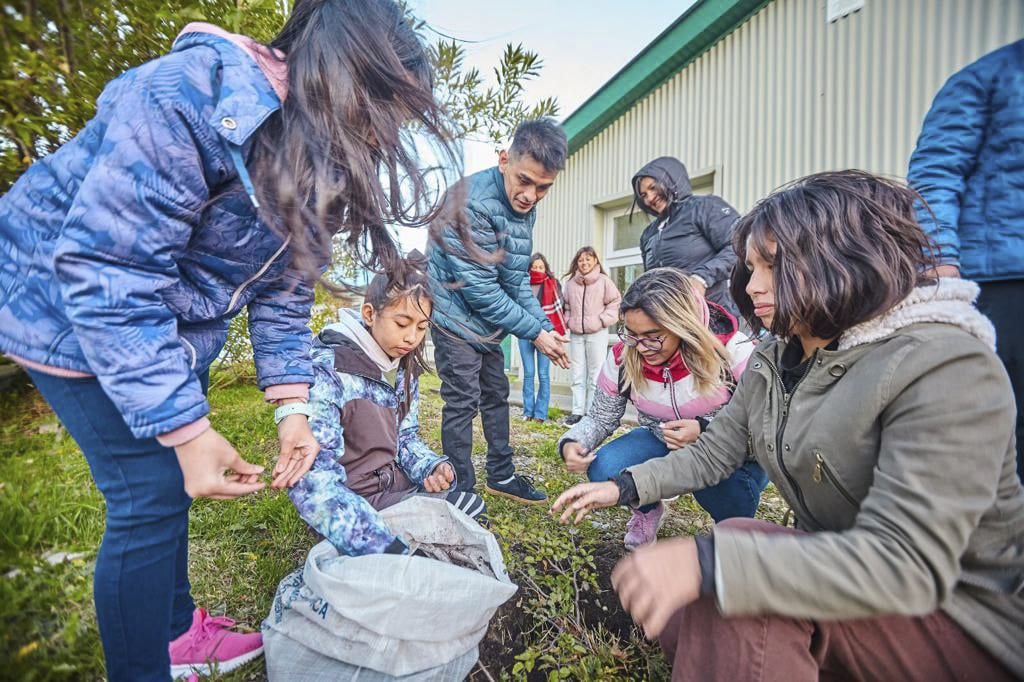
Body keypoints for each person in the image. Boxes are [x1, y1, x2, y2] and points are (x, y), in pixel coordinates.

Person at [0, 2, 463, 679]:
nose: (379, 136)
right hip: (62, 306)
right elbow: (109, 272)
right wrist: (187, 430)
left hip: (161, 321)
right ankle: (144, 667)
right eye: (378, 109)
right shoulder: (188, 96)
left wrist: (292, 411)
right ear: (338, 64)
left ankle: (178, 629)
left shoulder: (318, 154)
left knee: (169, 483)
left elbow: (284, 292)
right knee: (150, 490)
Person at [552, 170, 1024, 681]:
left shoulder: (944, 365)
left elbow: (907, 562)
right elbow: (717, 452)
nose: (750, 285)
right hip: (849, 586)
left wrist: (713, 564)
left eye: (771, 266)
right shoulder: (777, 358)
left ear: (842, 259)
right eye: (749, 267)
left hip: (958, 620)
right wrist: (622, 487)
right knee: (711, 578)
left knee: (737, 583)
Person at [289, 257, 486, 556]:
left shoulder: (405, 368)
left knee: (470, 506)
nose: (412, 338)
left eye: (422, 327)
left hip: (394, 489)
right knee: (440, 537)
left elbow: (405, 438)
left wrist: (430, 468)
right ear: (369, 313)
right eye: (402, 323)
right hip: (352, 504)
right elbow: (313, 481)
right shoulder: (330, 369)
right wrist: (380, 544)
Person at [558, 268, 766, 549]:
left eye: (653, 336)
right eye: (632, 334)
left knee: (724, 487)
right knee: (606, 466)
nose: (641, 348)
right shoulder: (623, 358)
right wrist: (573, 442)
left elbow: (764, 424)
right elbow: (600, 416)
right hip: (662, 439)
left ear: (683, 324)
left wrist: (704, 430)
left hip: (725, 450)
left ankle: (731, 527)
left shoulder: (734, 352)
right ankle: (647, 510)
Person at [427, 118, 570, 504]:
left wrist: (544, 326)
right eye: (524, 180)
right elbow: (482, 290)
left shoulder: (523, 207)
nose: (531, 195)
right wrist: (535, 334)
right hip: (456, 317)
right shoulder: (472, 204)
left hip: (488, 324)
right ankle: (460, 491)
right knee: (462, 400)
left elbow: (515, 279)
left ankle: (501, 476)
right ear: (505, 159)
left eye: (543, 187)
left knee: (496, 394)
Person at [908, 39, 1024, 479]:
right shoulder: (989, 78)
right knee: (999, 424)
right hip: (1002, 278)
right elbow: (934, 177)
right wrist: (941, 268)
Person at [632, 157, 740, 316]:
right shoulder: (649, 233)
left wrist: (702, 277)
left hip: (712, 314)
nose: (649, 198)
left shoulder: (704, 207)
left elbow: (739, 247)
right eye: (643, 195)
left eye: (653, 188)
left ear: (671, 180)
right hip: (671, 318)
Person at [562, 247, 621, 424]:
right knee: (577, 373)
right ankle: (577, 411)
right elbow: (566, 306)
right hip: (576, 334)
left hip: (597, 333)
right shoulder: (571, 283)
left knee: (595, 374)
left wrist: (601, 320)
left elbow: (615, 302)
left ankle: (591, 412)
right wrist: (568, 321)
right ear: (577, 262)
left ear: (595, 261)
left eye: (588, 259)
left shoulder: (604, 281)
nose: (584, 263)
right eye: (581, 260)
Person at [517, 253, 566, 423]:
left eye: (541, 267)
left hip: (546, 334)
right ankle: (528, 411)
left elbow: (561, 309)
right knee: (528, 374)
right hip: (525, 333)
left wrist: (555, 332)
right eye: (534, 267)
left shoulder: (553, 284)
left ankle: (540, 414)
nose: (537, 269)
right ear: (529, 268)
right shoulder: (522, 284)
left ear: (546, 268)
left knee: (543, 374)